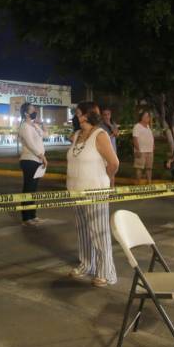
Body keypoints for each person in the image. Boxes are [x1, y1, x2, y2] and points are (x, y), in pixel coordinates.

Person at [67, 101, 119, 287]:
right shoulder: (77, 135)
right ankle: (87, 264)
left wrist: (106, 178)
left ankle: (105, 272)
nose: (76, 115)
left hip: (95, 191)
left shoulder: (100, 135)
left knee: (99, 232)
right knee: (83, 231)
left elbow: (114, 163)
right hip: (76, 191)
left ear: (86, 114)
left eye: (78, 112)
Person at [17, 102, 48, 226]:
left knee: (33, 189)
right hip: (29, 160)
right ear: (26, 113)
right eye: (32, 109)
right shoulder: (24, 126)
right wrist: (42, 156)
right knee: (28, 189)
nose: (35, 111)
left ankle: (33, 215)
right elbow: (30, 144)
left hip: (37, 160)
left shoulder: (34, 126)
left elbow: (46, 135)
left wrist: (42, 124)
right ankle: (26, 218)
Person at [132, 111, 154, 184]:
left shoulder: (148, 127)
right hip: (141, 151)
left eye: (149, 116)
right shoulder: (137, 126)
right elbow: (135, 139)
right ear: (142, 117)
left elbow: (150, 137)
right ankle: (137, 185)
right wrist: (138, 150)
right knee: (139, 168)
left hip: (149, 151)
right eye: (147, 116)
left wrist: (153, 145)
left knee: (149, 168)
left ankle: (149, 184)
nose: (149, 118)